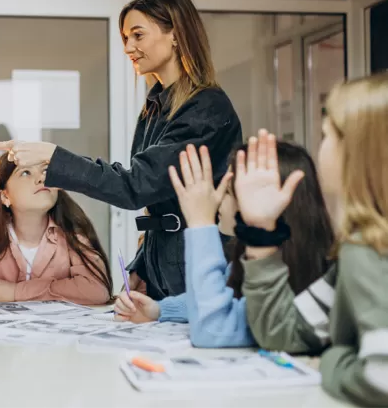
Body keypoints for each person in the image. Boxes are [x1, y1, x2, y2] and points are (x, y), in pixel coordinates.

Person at [0, 0, 242, 300]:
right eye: (125, 38)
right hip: (165, 266)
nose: (128, 47)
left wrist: (53, 157)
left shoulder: (206, 108)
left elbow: (137, 184)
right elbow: (159, 200)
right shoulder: (156, 106)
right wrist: (141, 268)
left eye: (138, 35)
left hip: (195, 265)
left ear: (175, 34)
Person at [239, 76, 388, 406]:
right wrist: (262, 229)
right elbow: (282, 332)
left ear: (357, 151)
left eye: (327, 135)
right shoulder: (360, 245)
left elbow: (381, 378)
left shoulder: (366, 248)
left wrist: (332, 360)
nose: (319, 145)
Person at [114, 142, 333, 349]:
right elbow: (219, 296)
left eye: (227, 191)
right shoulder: (248, 257)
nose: (218, 199)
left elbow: (213, 328)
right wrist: (159, 309)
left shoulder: (285, 274)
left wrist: (201, 222)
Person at [0, 155, 113, 307]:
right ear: (4, 196)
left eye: (46, 171)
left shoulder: (71, 235)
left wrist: (17, 292)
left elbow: (96, 290)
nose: (41, 179)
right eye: (25, 172)